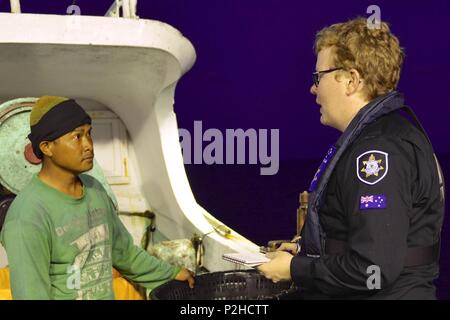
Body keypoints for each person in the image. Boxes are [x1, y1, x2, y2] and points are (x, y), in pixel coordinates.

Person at [258, 18, 445, 299]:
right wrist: (306, 251)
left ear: (352, 80)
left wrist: (296, 269)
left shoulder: (378, 151)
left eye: (318, 77)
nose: (313, 89)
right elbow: (363, 238)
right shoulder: (385, 135)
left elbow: (374, 269)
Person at [0, 96, 194, 299]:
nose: (88, 145)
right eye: (77, 137)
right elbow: (31, 294)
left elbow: (124, 253)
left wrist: (171, 273)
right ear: (47, 147)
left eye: (89, 134)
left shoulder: (94, 189)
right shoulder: (28, 215)